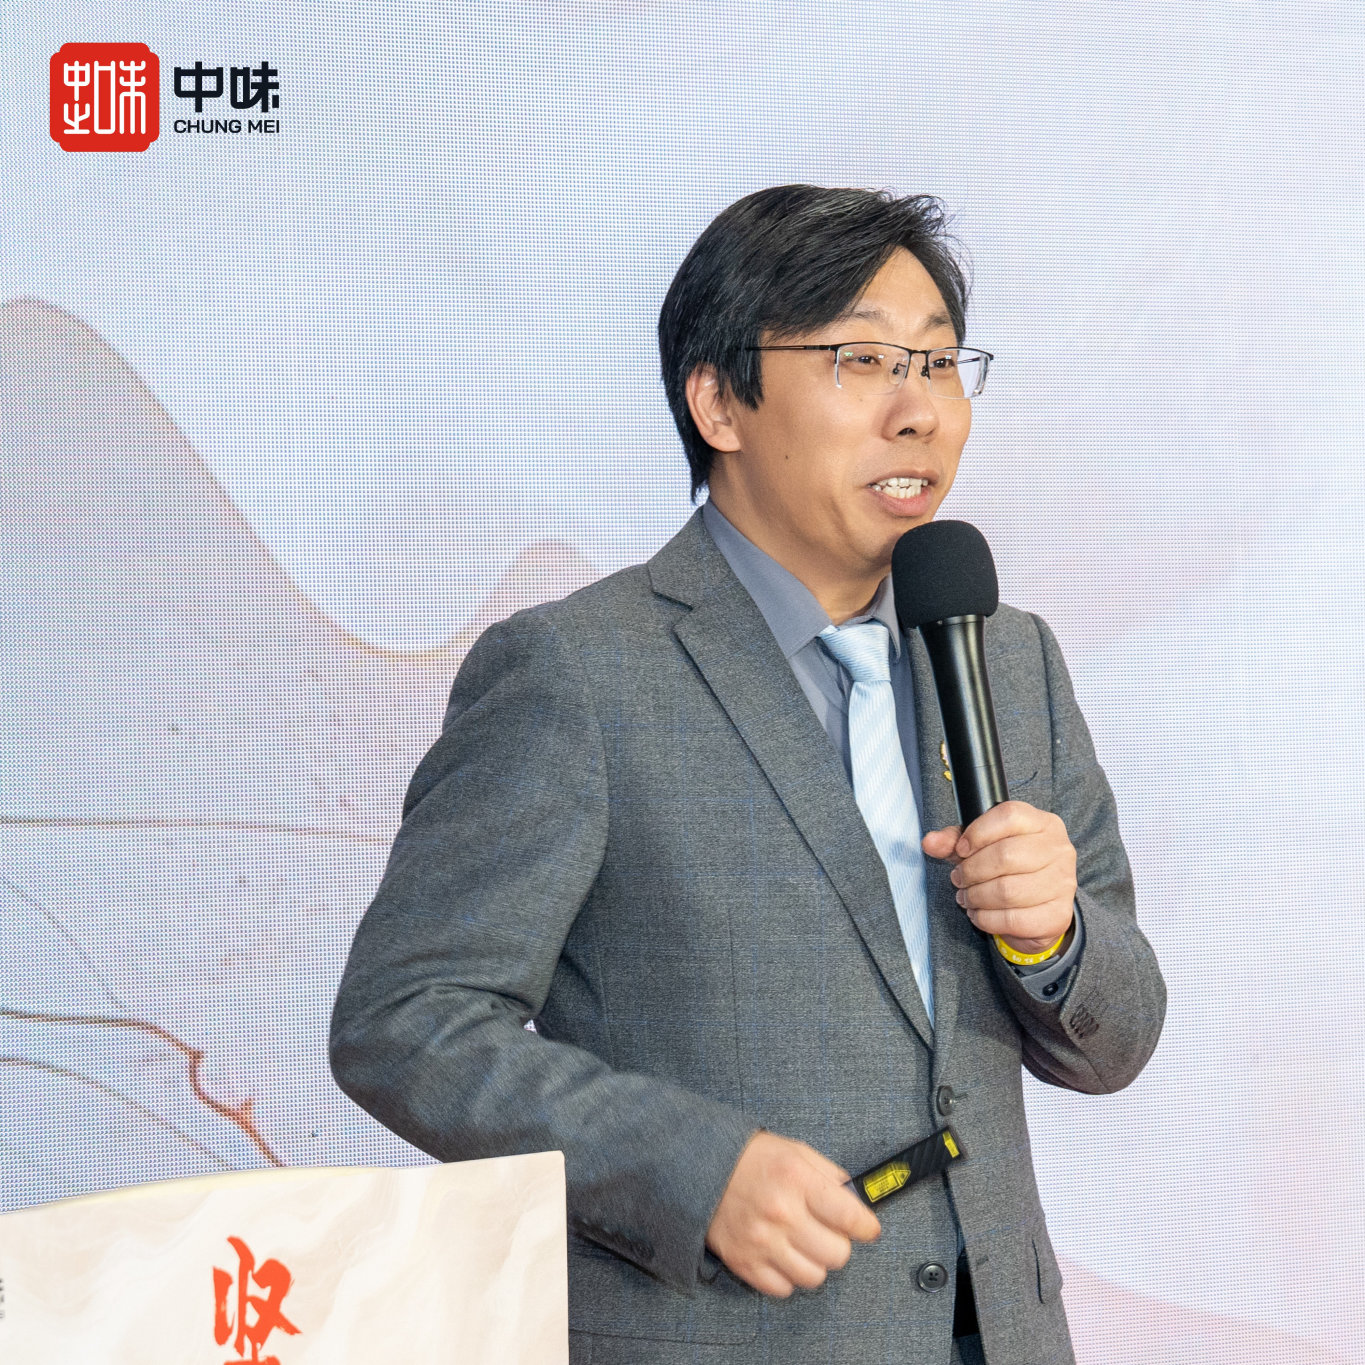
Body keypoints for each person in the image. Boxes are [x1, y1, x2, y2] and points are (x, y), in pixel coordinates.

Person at [329, 184, 1168, 1365]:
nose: (918, 412)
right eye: (862, 361)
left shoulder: (1006, 659)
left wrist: (1054, 939)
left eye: (938, 363)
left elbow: (1115, 1039)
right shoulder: (578, 672)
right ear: (718, 401)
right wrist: (685, 1169)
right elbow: (405, 1022)